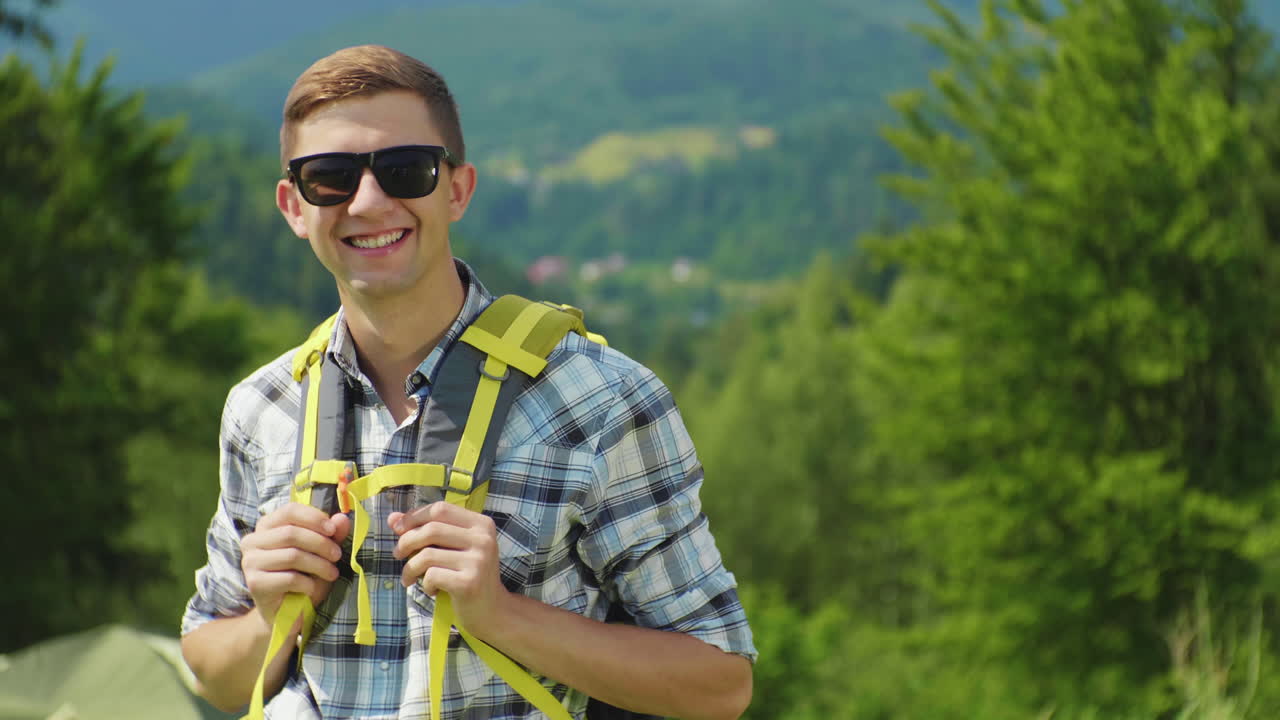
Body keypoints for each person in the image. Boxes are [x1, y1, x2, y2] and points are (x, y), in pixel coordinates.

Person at [179, 44, 756, 720]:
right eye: (330, 176)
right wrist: (268, 620)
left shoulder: (599, 400)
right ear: (294, 205)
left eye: (405, 170)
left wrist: (502, 616)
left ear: (456, 189)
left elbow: (719, 684)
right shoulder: (262, 408)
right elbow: (212, 673)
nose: (368, 202)